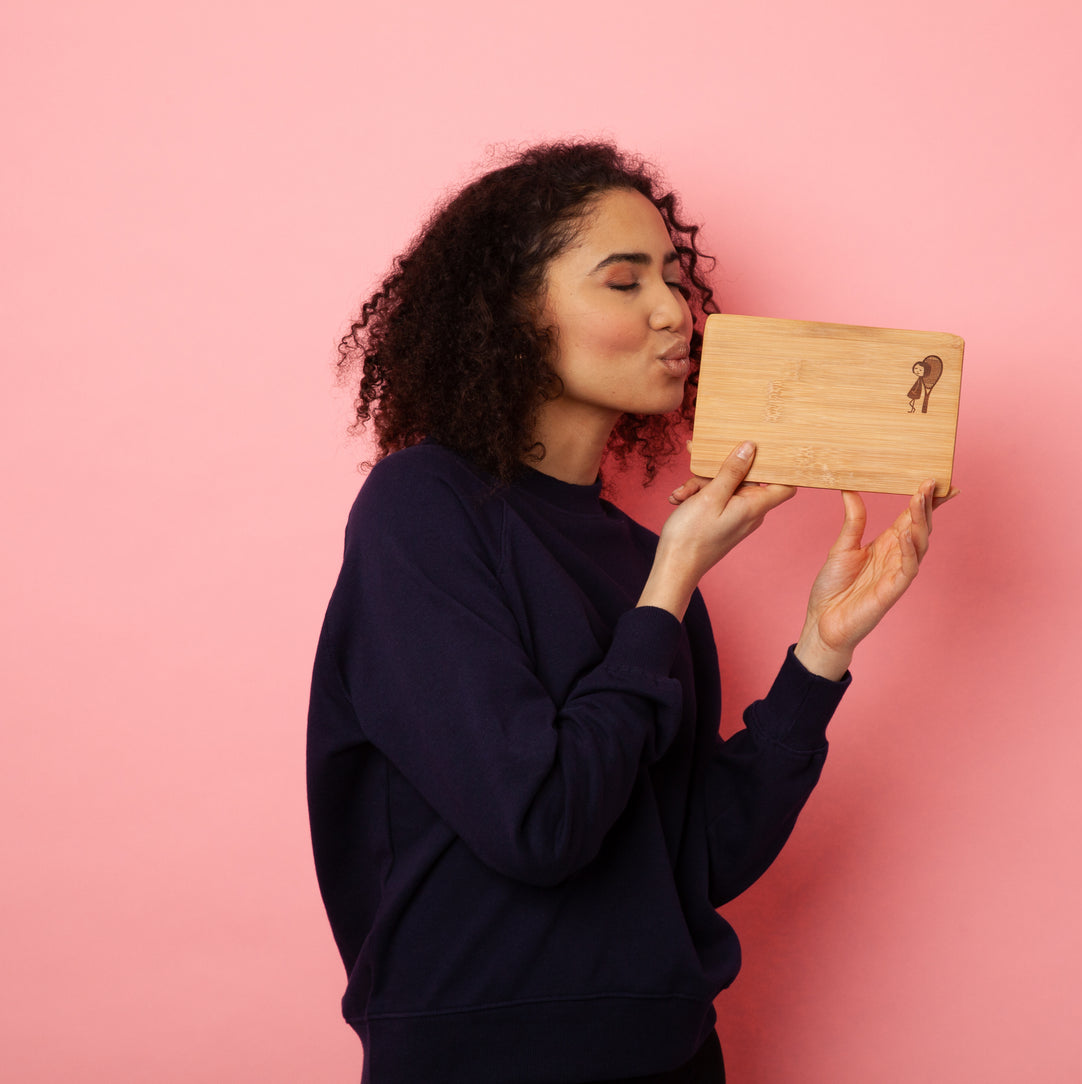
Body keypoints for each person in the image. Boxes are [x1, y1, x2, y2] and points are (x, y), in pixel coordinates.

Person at [307, 140, 942, 1084]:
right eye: (622, 281)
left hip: (672, 1058)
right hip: (480, 1060)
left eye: (675, 280)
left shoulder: (647, 560)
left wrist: (820, 654)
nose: (673, 312)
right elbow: (539, 822)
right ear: (512, 311)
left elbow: (695, 858)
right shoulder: (421, 509)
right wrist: (668, 586)